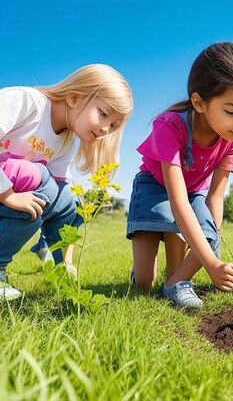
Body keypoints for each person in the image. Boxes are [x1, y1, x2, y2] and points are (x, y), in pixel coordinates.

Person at [127, 42, 233, 309]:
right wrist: (212, 264)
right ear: (199, 103)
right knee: (144, 282)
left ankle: (176, 284)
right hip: (155, 189)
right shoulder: (169, 126)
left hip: (194, 194)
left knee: (205, 235)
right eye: (232, 111)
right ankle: (146, 269)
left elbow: (214, 196)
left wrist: (213, 243)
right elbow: (176, 201)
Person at [0, 64, 133, 300]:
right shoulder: (27, 102)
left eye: (113, 124)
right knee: (38, 177)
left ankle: (58, 267)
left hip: (11, 191)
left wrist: (67, 261)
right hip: (5, 191)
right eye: (103, 113)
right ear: (73, 97)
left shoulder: (66, 142)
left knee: (67, 200)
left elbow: (59, 203)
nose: (105, 129)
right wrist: (7, 194)